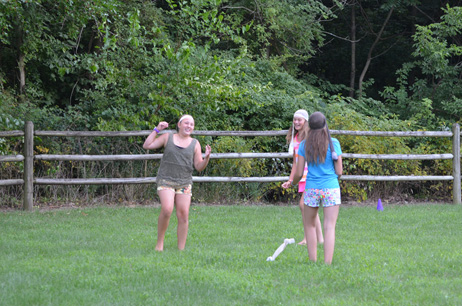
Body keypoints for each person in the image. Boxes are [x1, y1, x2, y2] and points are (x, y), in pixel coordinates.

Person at [143, 115, 211, 251]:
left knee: (183, 214)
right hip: (166, 180)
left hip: (184, 182)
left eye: (192, 124)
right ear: (179, 125)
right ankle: (159, 244)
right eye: (186, 123)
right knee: (167, 209)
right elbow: (147, 145)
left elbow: (199, 166)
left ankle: (181, 250)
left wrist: (207, 158)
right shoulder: (168, 137)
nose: (189, 126)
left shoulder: (195, 143)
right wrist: (157, 129)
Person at [292, 111, 343, 264]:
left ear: (309, 125)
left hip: (311, 188)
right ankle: (327, 263)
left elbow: (299, 172)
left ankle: (313, 261)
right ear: (324, 125)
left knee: (309, 225)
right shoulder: (334, 143)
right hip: (331, 188)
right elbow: (339, 171)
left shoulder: (304, 144)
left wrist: (293, 182)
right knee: (329, 226)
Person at [282, 110, 324, 246]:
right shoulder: (295, 138)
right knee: (309, 206)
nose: (296, 122)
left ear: (306, 121)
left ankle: (308, 238)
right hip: (301, 177)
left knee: (304, 205)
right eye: (295, 119)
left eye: (299, 120)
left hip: (311, 175)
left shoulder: (310, 138)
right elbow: (295, 162)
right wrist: (290, 179)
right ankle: (320, 238)